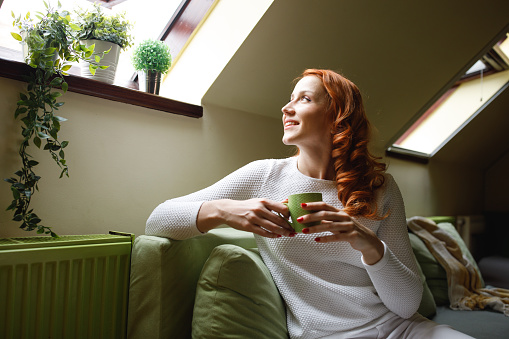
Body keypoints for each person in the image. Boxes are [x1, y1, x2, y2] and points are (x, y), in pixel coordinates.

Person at [146, 69, 473, 339]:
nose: (286, 109)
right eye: (290, 100)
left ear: (337, 115)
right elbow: (157, 220)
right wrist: (225, 210)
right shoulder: (265, 176)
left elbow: (406, 305)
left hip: (403, 330)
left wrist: (366, 242)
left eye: (304, 99)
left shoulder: (379, 187)